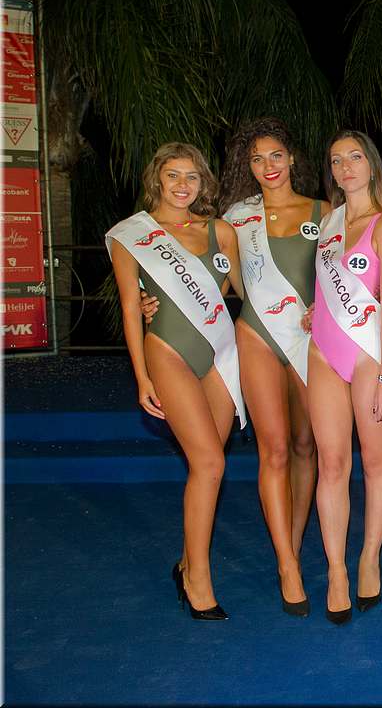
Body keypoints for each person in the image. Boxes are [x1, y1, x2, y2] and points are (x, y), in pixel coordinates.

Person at [107, 142, 245, 620]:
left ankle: (187, 561)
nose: (182, 185)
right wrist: (141, 375)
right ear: (157, 180)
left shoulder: (220, 231)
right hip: (167, 353)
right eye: (173, 176)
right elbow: (130, 307)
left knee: (207, 467)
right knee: (209, 463)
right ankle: (197, 580)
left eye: (191, 176)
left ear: (202, 182)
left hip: (219, 354)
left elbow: (241, 290)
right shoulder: (132, 235)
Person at [220, 119, 326, 617]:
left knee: (307, 445)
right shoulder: (236, 219)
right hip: (258, 336)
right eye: (258, 158)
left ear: (292, 158)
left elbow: (345, 272)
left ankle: (294, 541)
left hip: (309, 340)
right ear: (249, 165)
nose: (268, 166)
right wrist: (154, 302)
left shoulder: (323, 212)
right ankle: (287, 565)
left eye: (276, 156)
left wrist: (323, 306)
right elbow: (218, 276)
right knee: (275, 449)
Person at [308, 130, 382, 625]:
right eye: (336, 160)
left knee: (375, 461)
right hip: (323, 353)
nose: (345, 167)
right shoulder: (327, 224)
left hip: (370, 355)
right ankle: (336, 570)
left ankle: (369, 557)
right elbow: (322, 290)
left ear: (371, 165)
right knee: (331, 464)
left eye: (354, 158)